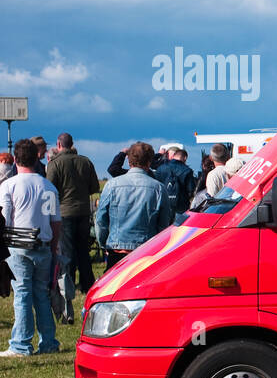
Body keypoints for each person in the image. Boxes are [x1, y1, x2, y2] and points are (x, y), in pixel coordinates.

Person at [0, 139, 62, 357]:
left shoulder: (9, 186)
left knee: (22, 294)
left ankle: (21, 344)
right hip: (43, 245)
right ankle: (48, 342)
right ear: (37, 158)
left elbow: (5, 219)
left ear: (15, 159)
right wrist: (54, 248)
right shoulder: (49, 187)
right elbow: (56, 222)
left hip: (17, 246)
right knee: (41, 295)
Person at [45, 133, 100, 324]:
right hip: (83, 211)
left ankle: (69, 285)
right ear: (72, 144)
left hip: (64, 211)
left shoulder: (55, 163)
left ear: (59, 144)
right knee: (83, 250)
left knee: (66, 252)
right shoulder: (85, 162)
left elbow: (49, 188)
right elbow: (94, 186)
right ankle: (87, 283)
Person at [95, 142, 174, 269]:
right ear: (149, 162)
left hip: (117, 249)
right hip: (146, 250)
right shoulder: (159, 188)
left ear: (129, 161)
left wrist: (104, 243)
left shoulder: (112, 185)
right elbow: (163, 224)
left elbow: (101, 220)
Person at [153, 146, 197, 216]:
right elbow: (191, 190)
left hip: (163, 205)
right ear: (185, 158)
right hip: (181, 207)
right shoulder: (187, 170)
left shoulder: (160, 168)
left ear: (173, 156)